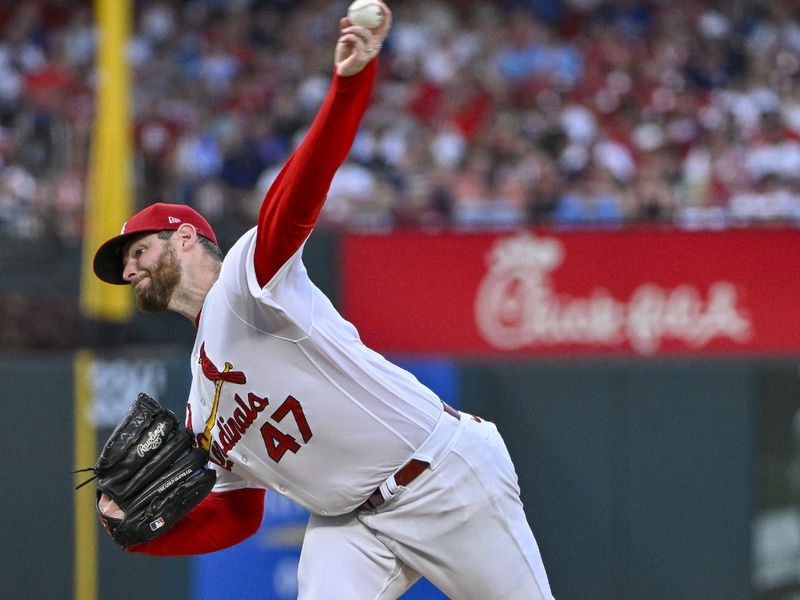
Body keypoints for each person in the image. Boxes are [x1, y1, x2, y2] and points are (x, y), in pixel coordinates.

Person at [92, 4, 554, 598]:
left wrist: (349, 86)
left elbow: (299, 196)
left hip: (440, 478)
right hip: (349, 523)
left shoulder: (246, 281)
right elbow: (239, 514)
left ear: (184, 237)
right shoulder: (201, 399)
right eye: (121, 265)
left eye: (137, 249)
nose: (128, 268)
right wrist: (144, 531)